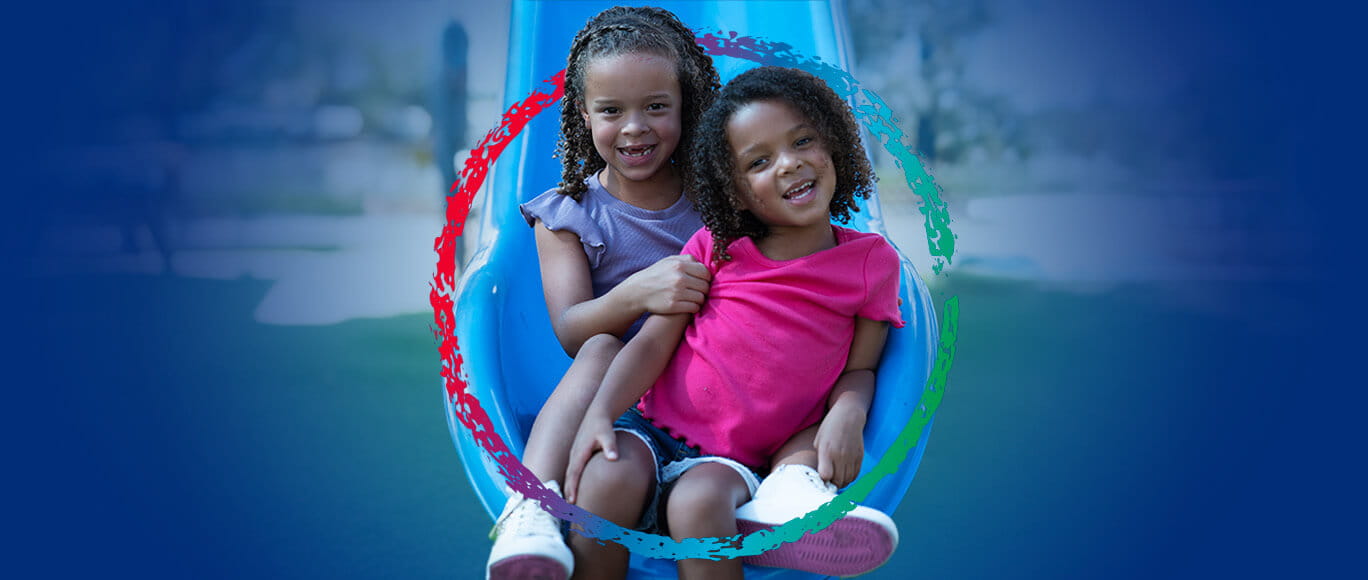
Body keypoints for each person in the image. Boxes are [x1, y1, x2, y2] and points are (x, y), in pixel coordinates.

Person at [563, 66, 904, 580]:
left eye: (803, 141)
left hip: (733, 463)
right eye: (759, 161)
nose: (789, 164)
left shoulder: (870, 262)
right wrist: (600, 414)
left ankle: (781, 506)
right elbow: (653, 344)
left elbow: (861, 369)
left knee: (697, 507)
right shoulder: (716, 249)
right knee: (604, 482)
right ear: (736, 192)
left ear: (833, 145)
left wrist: (848, 415)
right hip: (651, 431)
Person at [485, 7, 721, 580]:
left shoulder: (721, 198)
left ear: (686, 107)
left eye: (656, 107)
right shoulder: (568, 215)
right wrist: (641, 290)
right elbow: (570, 329)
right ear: (583, 116)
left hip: (715, 396)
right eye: (611, 111)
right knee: (599, 346)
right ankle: (531, 503)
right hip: (623, 408)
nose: (634, 127)